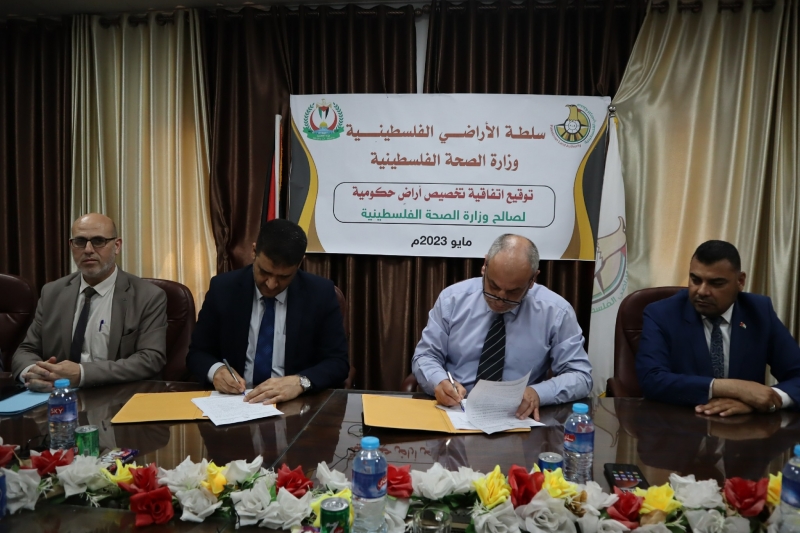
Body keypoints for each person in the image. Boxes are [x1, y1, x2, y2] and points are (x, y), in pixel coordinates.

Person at [411, 234, 593, 421]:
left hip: (517, 416)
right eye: (493, 286)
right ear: (485, 265)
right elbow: (425, 356)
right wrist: (439, 381)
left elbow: (580, 376)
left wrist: (538, 393)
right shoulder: (452, 300)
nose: (500, 298)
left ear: (532, 280)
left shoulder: (556, 312)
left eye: (513, 292)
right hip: (457, 410)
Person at [186, 219, 349, 405]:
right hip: (236, 401)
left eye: (283, 277)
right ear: (254, 251)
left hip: (294, 405)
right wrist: (215, 370)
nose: (271, 284)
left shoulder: (320, 294)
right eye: (264, 272)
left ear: (299, 263)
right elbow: (197, 353)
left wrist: (300, 382)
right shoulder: (223, 289)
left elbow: (338, 362)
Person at [636, 240, 800, 416]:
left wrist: (764, 399)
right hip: (681, 423)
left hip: (744, 427)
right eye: (695, 280)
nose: (702, 291)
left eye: (716, 283)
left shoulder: (759, 312)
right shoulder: (662, 314)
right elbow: (651, 379)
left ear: (740, 281)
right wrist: (734, 388)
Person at [12, 213, 168, 391]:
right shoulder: (52, 292)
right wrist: (33, 372)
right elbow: (26, 350)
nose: (88, 250)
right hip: (58, 394)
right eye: (80, 241)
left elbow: (150, 359)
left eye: (98, 241)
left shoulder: (148, 296)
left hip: (118, 395)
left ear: (117, 246)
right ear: (71, 246)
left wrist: (82, 374)